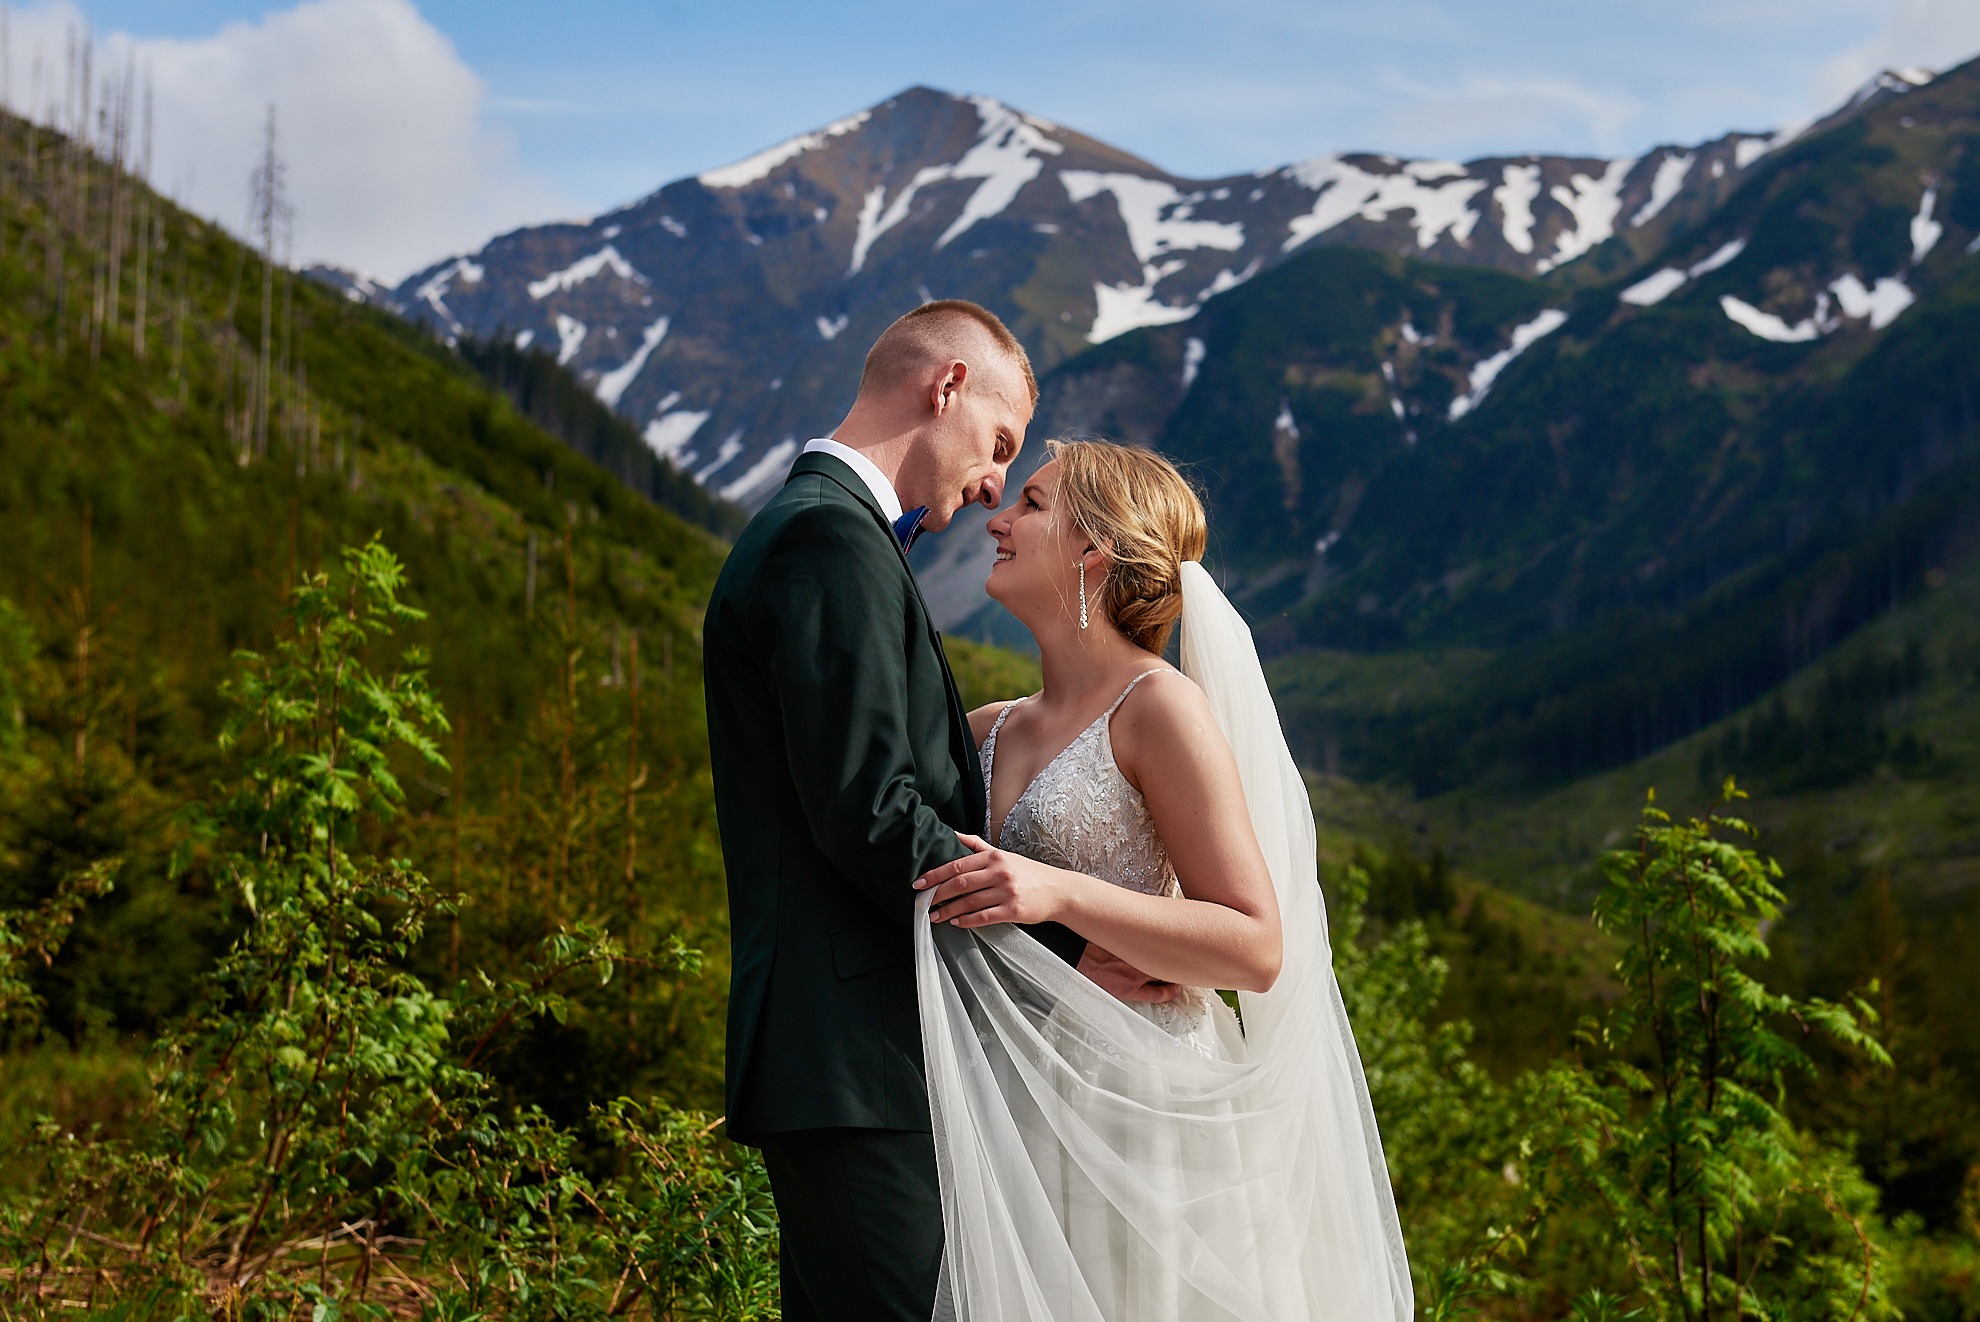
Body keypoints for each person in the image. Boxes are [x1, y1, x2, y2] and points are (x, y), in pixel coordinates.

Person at [703, 301, 1145, 1321]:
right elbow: (871, 814)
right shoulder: (829, 540)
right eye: (1001, 444)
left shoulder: (821, 532)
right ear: (945, 386)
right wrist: (1070, 948)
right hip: (858, 1056)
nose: (994, 484)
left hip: (850, 1057)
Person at [912, 439, 1414, 1320]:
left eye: (1031, 504)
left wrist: (1063, 895)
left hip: (1141, 1107)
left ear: (1094, 549)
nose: (999, 519)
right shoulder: (988, 728)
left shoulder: (1159, 708)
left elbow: (1255, 945)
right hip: (1015, 1092)